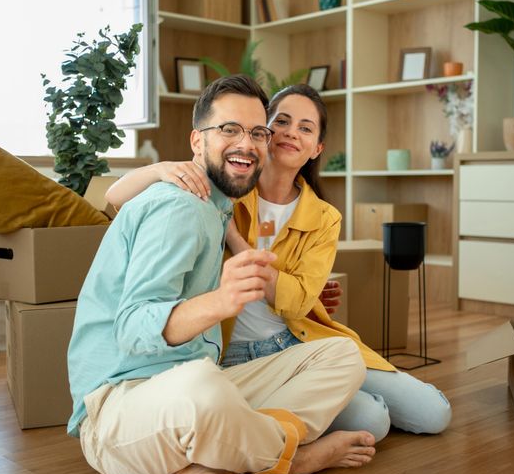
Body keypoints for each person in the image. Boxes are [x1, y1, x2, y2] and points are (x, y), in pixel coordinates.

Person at [67, 75, 376, 474]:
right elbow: (133, 330)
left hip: (196, 381)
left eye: (257, 132)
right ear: (198, 141)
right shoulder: (179, 207)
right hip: (119, 408)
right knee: (202, 384)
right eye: (229, 129)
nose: (246, 143)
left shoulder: (220, 205)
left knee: (340, 355)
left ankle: (211, 467)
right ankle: (296, 460)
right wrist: (221, 300)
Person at [106, 83, 452, 443]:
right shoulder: (228, 184)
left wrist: (235, 240)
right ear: (263, 133)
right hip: (231, 355)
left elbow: (299, 301)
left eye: (305, 128)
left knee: (434, 413)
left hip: (300, 340)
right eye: (281, 122)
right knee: (373, 420)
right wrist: (161, 168)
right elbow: (116, 198)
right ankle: (300, 420)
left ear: (317, 148)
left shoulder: (324, 217)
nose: (290, 133)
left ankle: (298, 411)